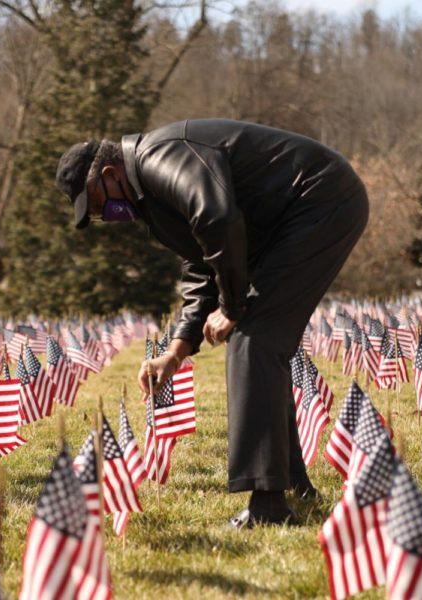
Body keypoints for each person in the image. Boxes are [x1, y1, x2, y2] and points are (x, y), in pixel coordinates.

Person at [55, 119, 368, 528]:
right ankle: (291, 482)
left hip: (321, 200)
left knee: (252, 338)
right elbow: (200, 265)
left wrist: (234, 306)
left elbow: (217, 220)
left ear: (111, 175)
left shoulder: (161, 155)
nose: (105, 217)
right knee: (261, 339)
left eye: (98, 205)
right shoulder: (153, 199)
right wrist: (175, 352)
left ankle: (268, 506)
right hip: (301, 214)